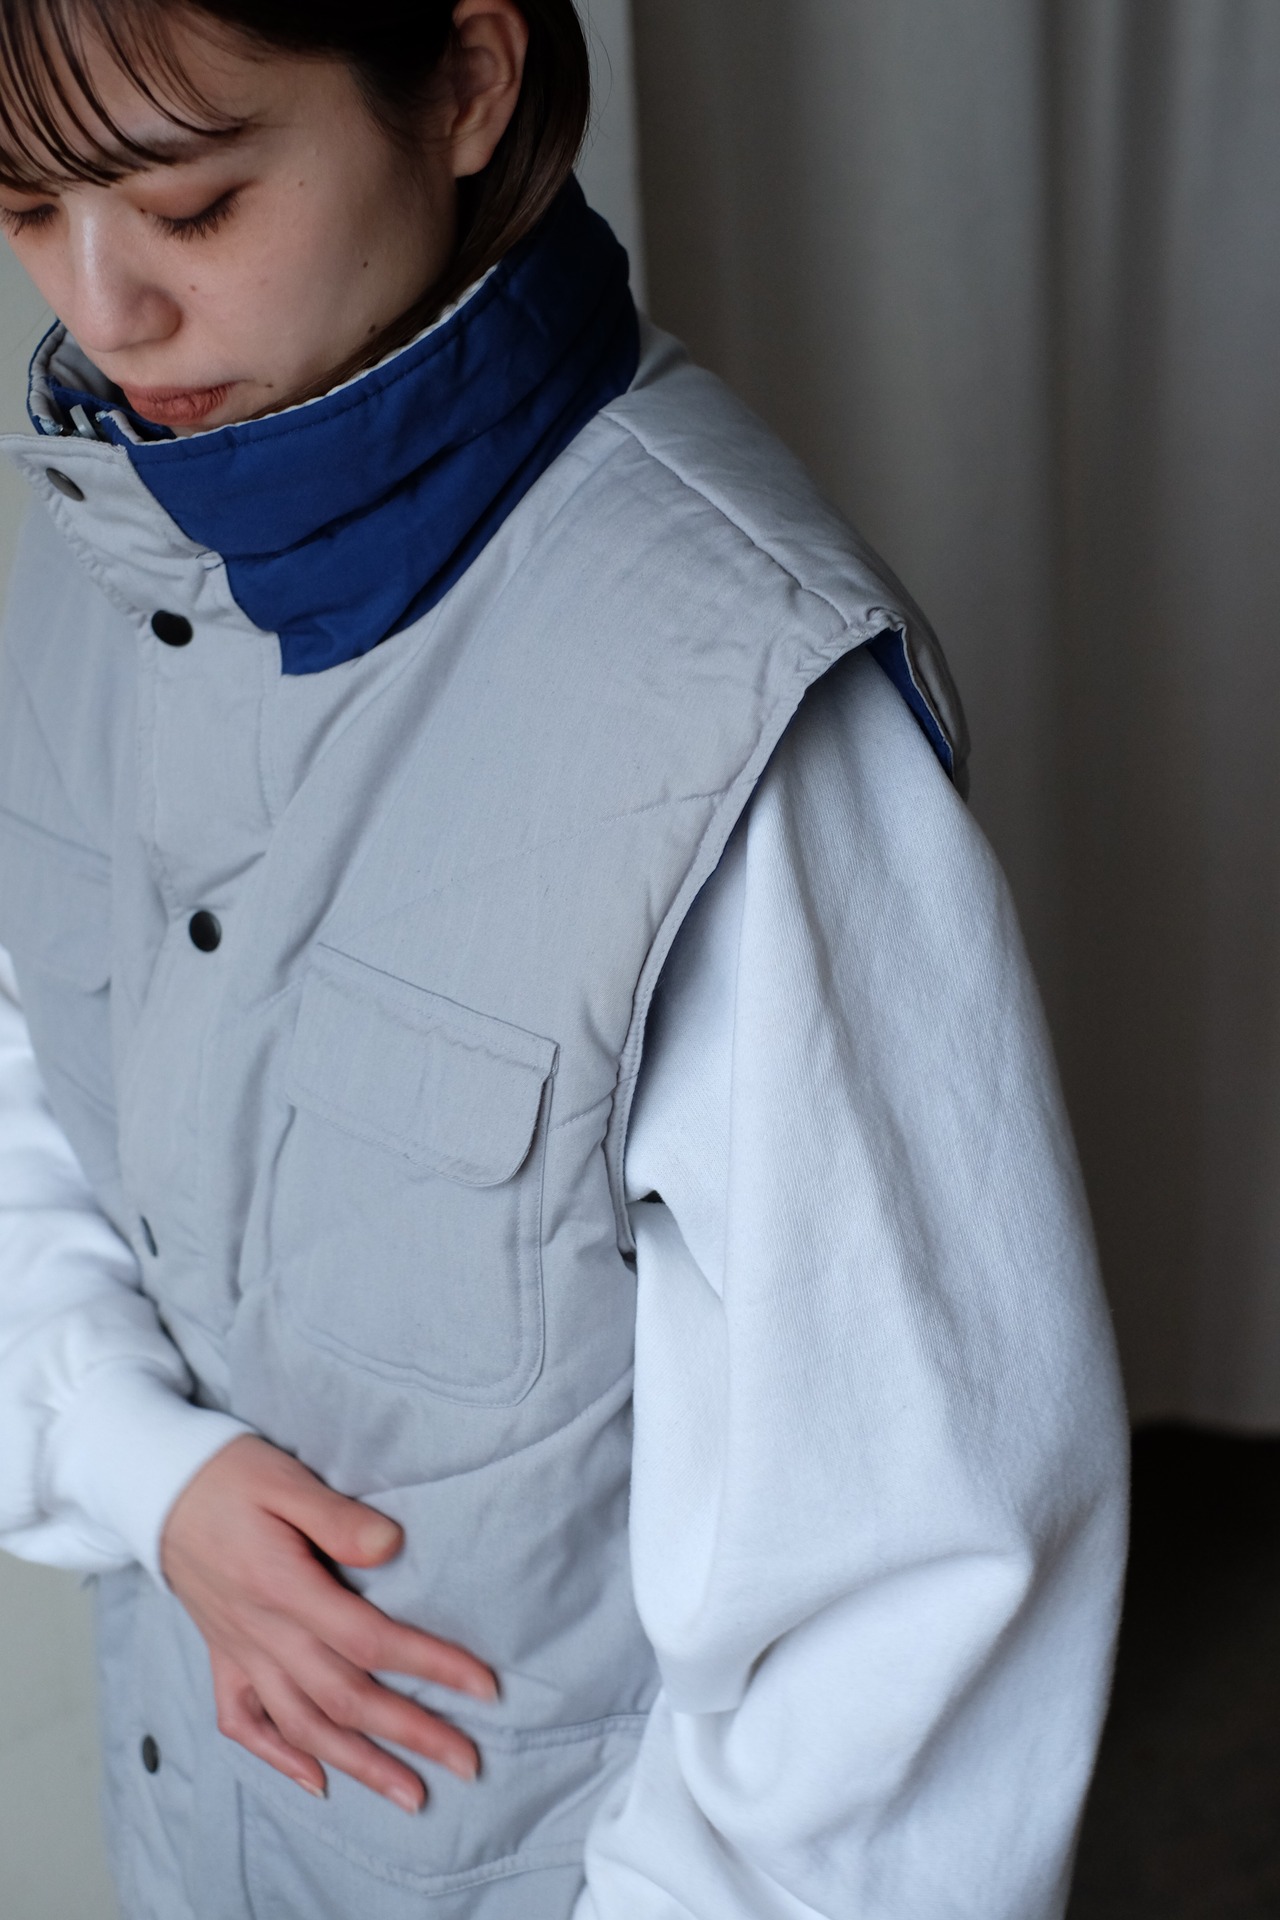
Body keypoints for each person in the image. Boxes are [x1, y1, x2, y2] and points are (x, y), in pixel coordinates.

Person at [0, 1, 1128, 1915]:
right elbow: (34, 1073)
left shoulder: (740, 715)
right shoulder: (97, 545)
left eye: (190, 207)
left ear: (465, 83)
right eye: (27, 206)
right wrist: (131, 1462)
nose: (107, 310)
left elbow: (908, 1624)